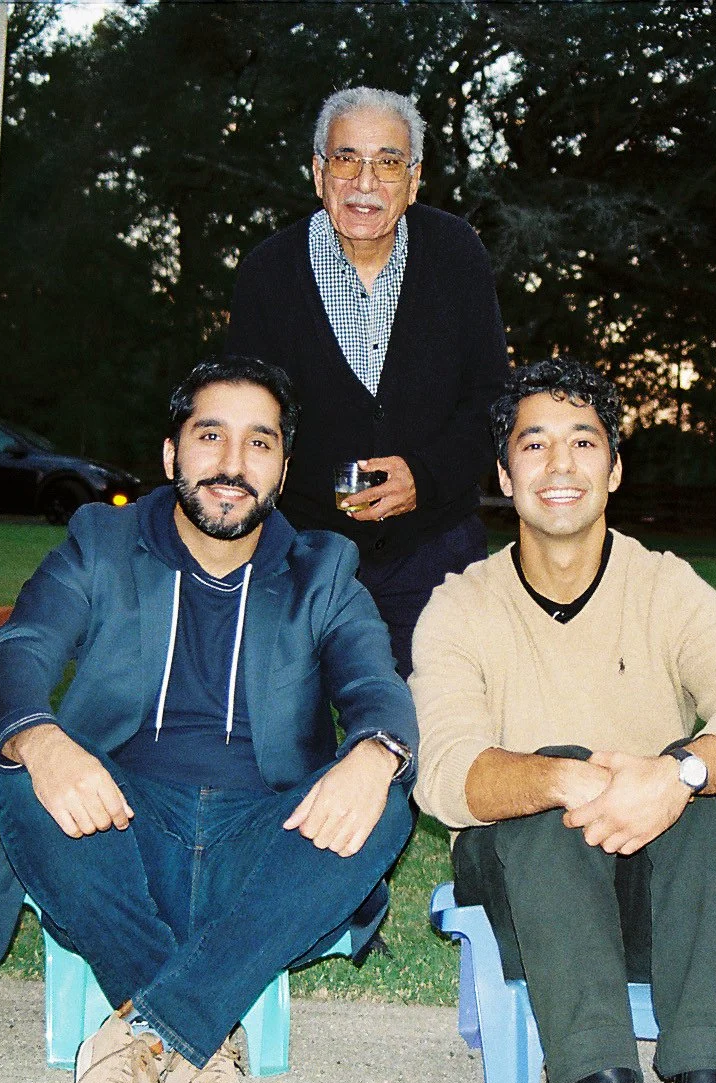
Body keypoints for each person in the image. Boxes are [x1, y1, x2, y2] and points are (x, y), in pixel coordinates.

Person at [0, 355, 416, 1083]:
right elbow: (16, 654)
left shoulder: (323, 570)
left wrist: (375, 750)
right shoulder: (102, 543)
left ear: (283, 468)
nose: (232, 463)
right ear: (172, 452)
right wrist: (41, 738)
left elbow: (375, 685)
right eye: (211, 436)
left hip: (263, 843)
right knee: (31, 779)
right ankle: (201, 1044)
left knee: (382, 796)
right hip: (119, 830)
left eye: (259, 443)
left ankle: (145, 1037)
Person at [410, 359, 716, 1083]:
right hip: (527, 893)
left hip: (659, 900)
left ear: (615, 468)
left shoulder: (665, 586)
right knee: (543, 785)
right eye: (534, 445)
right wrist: (568, 777)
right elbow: (441, 773)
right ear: (504, 474)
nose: (560, 465)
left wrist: (677, 775)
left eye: (583, 442)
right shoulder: (460, 607)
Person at [227, 86, 509, 676]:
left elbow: (492, 399)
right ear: (318, 173)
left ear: (414, 179)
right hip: (301, 554)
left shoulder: (456, 254)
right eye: (346, 159)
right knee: (279, 723)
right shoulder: (267, 273)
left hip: (434, 552)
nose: (365, 182)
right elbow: (246, 421)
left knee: (430, 721)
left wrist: (424, 478)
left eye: (388, 162)